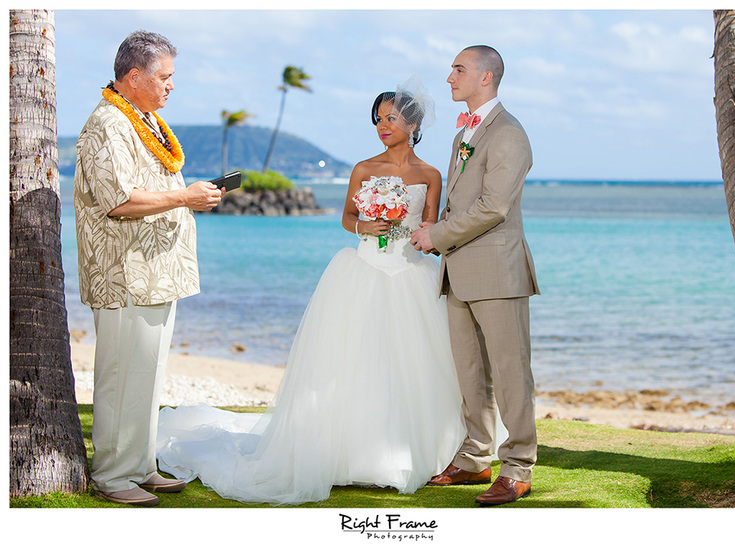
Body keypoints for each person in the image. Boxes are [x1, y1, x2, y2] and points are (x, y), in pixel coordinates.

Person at [154, 76, 465, 505]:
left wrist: (417, 232)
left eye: (391, 118)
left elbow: (428, 228)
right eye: (378, 119)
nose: (382, 126)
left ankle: (410, 449)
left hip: (409, 274)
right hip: (362, 270)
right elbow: (346, 218)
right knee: (352, 361)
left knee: (411, 362)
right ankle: (347, 452)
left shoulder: (431, 175)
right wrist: (365, 225)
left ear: (412, 123)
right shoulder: (363, 168)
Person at [73, 30, 223, 507]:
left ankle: (139, 466)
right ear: (134, 77)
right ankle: (112, 473)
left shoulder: (144, 118)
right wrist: (187, 195)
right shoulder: (108, 124)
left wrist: (192, 200)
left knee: (149, 375)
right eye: (165, 76)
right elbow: (117, 200)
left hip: (157, 271)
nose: (171, 85)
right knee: (121, 376)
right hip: (124, 274)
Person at [410, 45, 540, 506]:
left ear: (486, 77)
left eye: (458, 70)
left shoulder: (508, 134)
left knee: (510, 374)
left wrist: (437, 235)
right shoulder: (464, 132)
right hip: (459, 271)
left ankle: (518, 466)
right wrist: (432, 231)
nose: (449, 77)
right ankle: (474, 458)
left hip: (497, 271)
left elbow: (494, 207)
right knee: (470, 373)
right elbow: (461, 201)